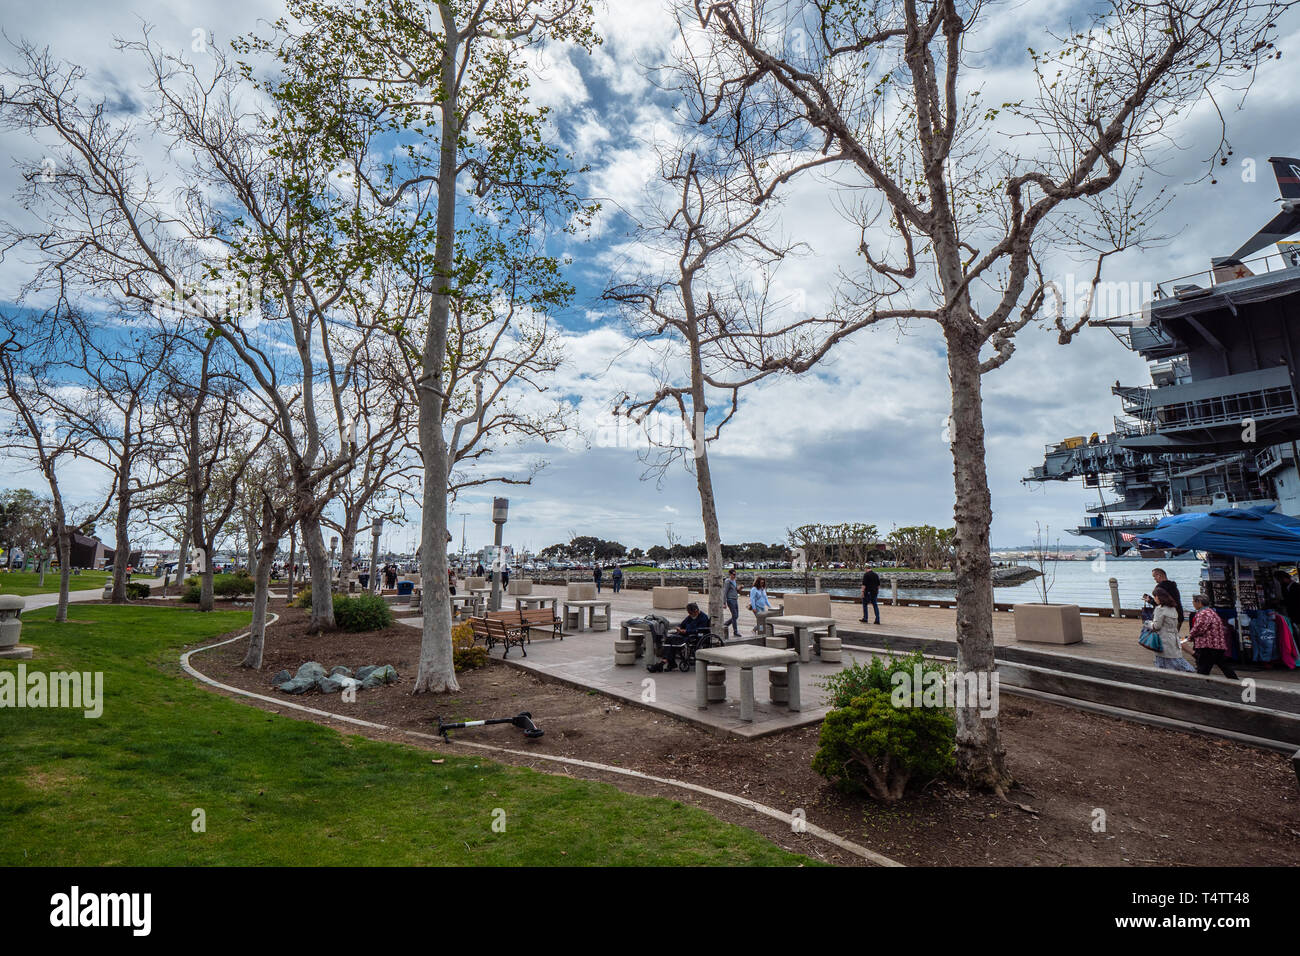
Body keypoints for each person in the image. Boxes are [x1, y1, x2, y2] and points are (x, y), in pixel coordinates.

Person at [1189, 594, 1240, 679]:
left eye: (1194, 602)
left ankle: (1201, 685)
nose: (1193, 603)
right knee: (1223, 666)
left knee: (1203, 668)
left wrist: (1191, 636)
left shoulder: (1203, 613)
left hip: (1208, 645)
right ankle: (1235, 681)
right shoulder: (1211, 612)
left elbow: (1199, 628)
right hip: (1217, 644)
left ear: (1199, 602)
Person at [649, 603, 711, 672]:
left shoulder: (703, 618)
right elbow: (682, 624)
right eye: (689, 613)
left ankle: (665, 663)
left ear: (696, 611)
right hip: (684, 634)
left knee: (672, 640)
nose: (690, 615)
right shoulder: (690, 617)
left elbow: (699, 630)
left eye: (691, 613)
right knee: (669, 639)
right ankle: (667, 663)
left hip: (693, 636)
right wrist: (679, 628)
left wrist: (686, 631)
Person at [1150, 588, 1194, 671]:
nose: (1154, 599)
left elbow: (1156, 626)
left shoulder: (1159, 609)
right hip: (1174, 638)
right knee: (1176, 659)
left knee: (1163, 662)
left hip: (1163, 639)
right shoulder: (1172, 608)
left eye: (1154, 596)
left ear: (1158, 597)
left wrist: (1148, 624)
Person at [722, 569, 741, 638]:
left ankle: (725, 624)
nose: (734, 576)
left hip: (735, 599)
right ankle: (735, 631)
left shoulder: (734, 581)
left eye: (735, 574)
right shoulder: (728, 581)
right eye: (733, 574)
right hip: (730, 600)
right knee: (734, 615)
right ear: (730, 574)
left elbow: (735, 590)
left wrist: (739, 588)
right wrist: (724, 603)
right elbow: (725, 592)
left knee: (736, 616)